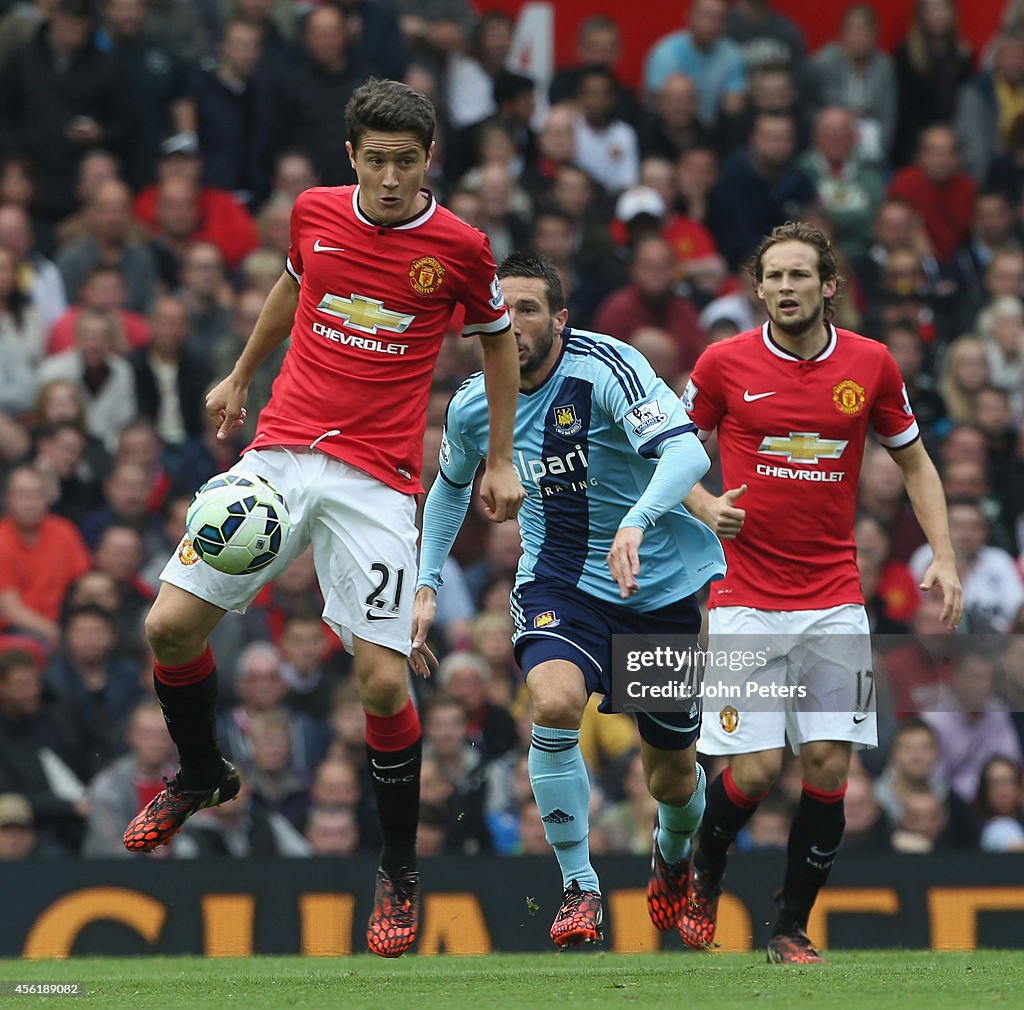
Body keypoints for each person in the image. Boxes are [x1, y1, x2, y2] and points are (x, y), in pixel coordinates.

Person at [119, 78, 524, 959]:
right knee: (170, 627)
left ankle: (400, 874)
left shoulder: (458, 247)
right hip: (282, 450)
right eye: (374, 160)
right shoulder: (311, 212)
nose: (388, 177)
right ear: (351, 158)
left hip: (377, 480)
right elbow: (292, 289)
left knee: (381, 683)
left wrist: (498, 456)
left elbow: (497, 339)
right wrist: (238, 374)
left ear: (428, 164)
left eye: (405, 163)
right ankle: (199, 771)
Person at [414, 251, 726, 948]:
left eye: (529, 309)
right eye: (503, 310)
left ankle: (674, 855)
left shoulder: (606, 367)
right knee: (553, 703)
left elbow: (687, 457)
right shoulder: (472, 404)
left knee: (672, 779)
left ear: (559, 318)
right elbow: (449, 491)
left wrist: (636, 522)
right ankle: (579, 888)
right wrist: (426, 587)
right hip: (560, 584)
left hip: (656, 590)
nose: (514, 324)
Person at [678, 220, 963, 963]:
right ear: (757, 286)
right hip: (743, 597)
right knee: (756, 770)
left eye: (799, 276)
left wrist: (945, 555)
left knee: (831, 765)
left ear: (828, 286)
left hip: (833, 595)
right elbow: (670, 454)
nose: (784, 288)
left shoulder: (869, 365)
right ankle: (704, 870)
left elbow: (918, 464)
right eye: (773, 277)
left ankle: (789, 926)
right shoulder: (721, 363)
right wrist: (705, 507)